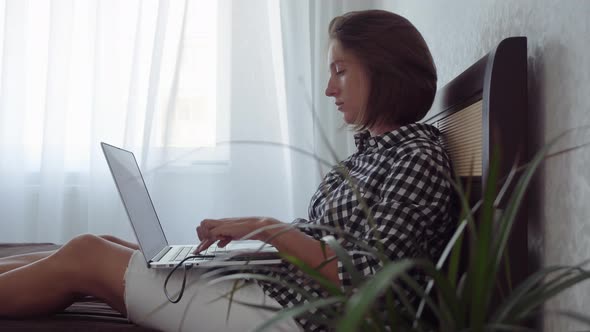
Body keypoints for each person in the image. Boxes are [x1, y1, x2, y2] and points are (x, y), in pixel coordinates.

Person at [0, 9, 457, 332]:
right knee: (107, 243)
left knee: (85, 254)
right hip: (277, 292)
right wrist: (253, 245)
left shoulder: (415, 157)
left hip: (294, 317)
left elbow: (364, 277)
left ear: (385, 72)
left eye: (340, 71)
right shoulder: (372, 153)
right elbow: (326, 243)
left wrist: (264, 228)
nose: (328, 88)